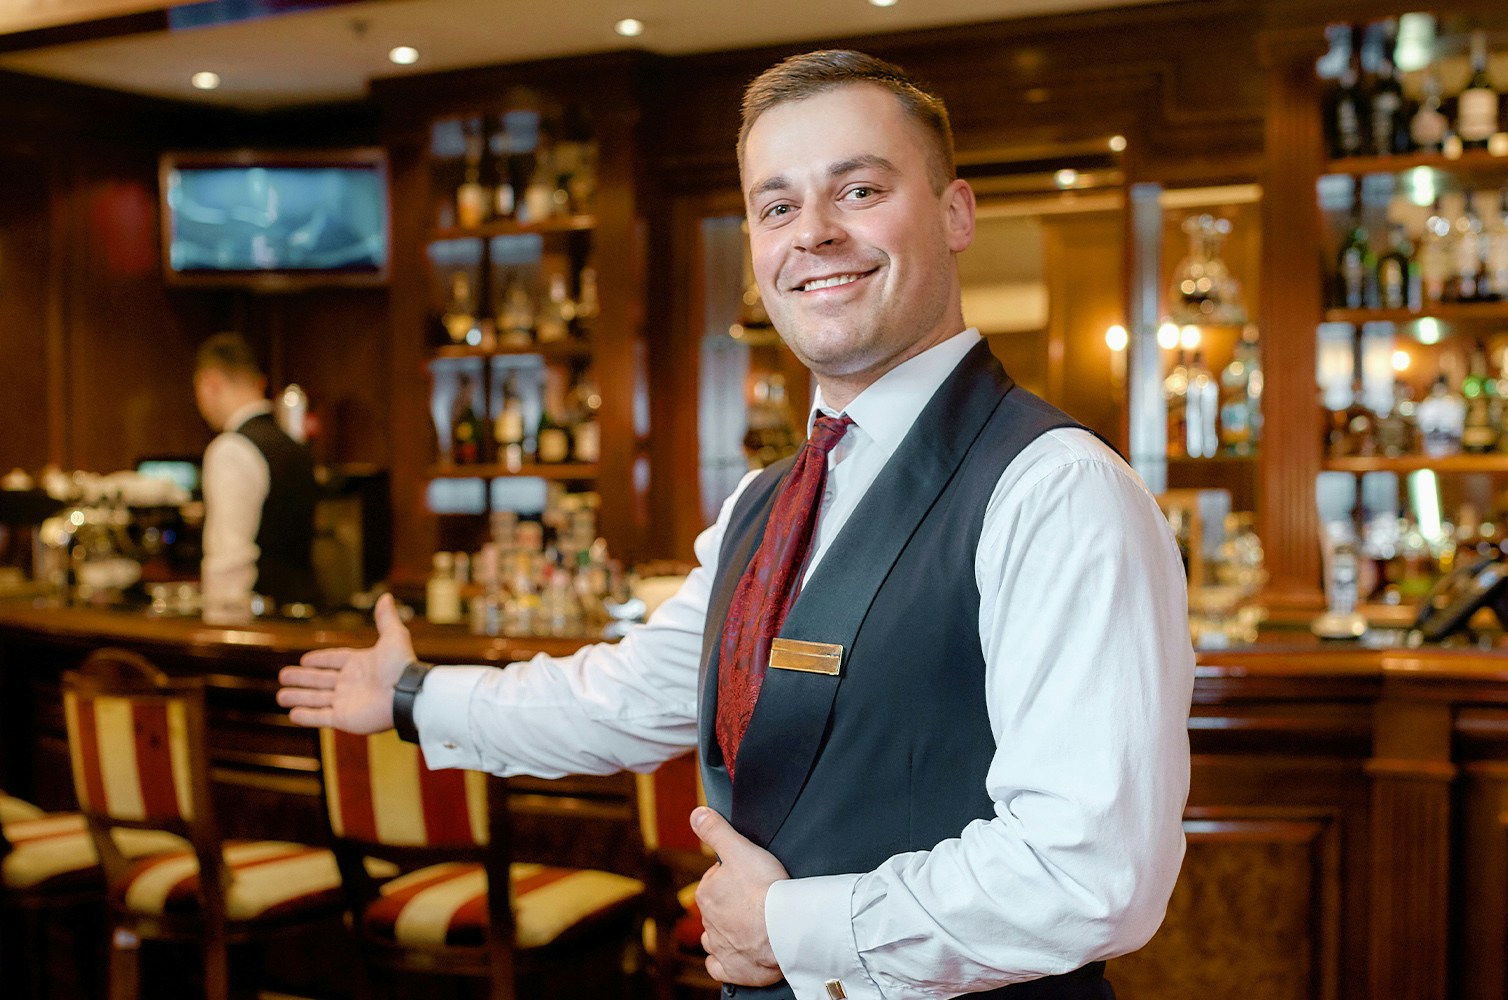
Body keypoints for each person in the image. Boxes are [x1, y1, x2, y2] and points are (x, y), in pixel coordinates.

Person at [279, 50, 1193, 1000]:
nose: (816, 234)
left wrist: (789, 926)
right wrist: (412, 696)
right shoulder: (769, 498)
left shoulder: (1057, 488)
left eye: (861, 189)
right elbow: (628, 699)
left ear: (955, 213)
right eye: (778, 206)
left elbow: (1090, 877)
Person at [193, 332, 320, 617]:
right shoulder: (294, 445)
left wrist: (220, 634)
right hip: (303, 611)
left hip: (258, 622)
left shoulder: (230, 448)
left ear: (209, 383)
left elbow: (230, 558)